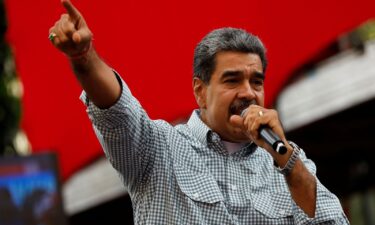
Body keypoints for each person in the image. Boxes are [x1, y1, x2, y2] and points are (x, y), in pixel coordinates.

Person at [49, 0, 350, 224]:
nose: (248, 92)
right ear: (200, 91)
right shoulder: (157, 149)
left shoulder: (287, 164)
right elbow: (116, 110)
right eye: (232, 80)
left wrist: (287, 162)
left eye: (256, 81)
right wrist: (83, 58)